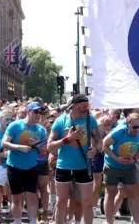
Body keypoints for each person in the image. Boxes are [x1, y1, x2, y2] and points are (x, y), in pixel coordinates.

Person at [47, 94, 99, 224]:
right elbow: (49, 146)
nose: (87, 109)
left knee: (86, 202)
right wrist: (67, 139)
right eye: (84, 106)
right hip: (64, 166)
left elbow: (99, 140)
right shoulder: (61, 121)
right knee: (61, 202)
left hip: (83, 166)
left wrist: (95, 149)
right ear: (75, 106)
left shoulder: (90, 120)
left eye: (88, 105)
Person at [2, 101, 47, 224]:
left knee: (32, 196)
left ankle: (33, 221)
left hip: (32, 166)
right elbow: (4, 143)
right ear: (28, 112)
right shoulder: (15, 125)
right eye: (36, 111)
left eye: (41, 112)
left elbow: (44, 151)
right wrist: (19, 147)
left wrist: (37, 145)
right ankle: (17, 221)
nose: (39, 114)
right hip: (14, 166)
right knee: (16, 198)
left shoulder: (41, 130)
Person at [103, 112, 139, 224]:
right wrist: (116, 158)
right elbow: (104, 145)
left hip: (128, 167)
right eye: (134, 127)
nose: (137, 130)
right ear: (128, 124)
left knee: (132, 195)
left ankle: (137, 221)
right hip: (112, 165)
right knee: (110, 193)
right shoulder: (119, 132)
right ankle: (108, 221)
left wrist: (135, 159)